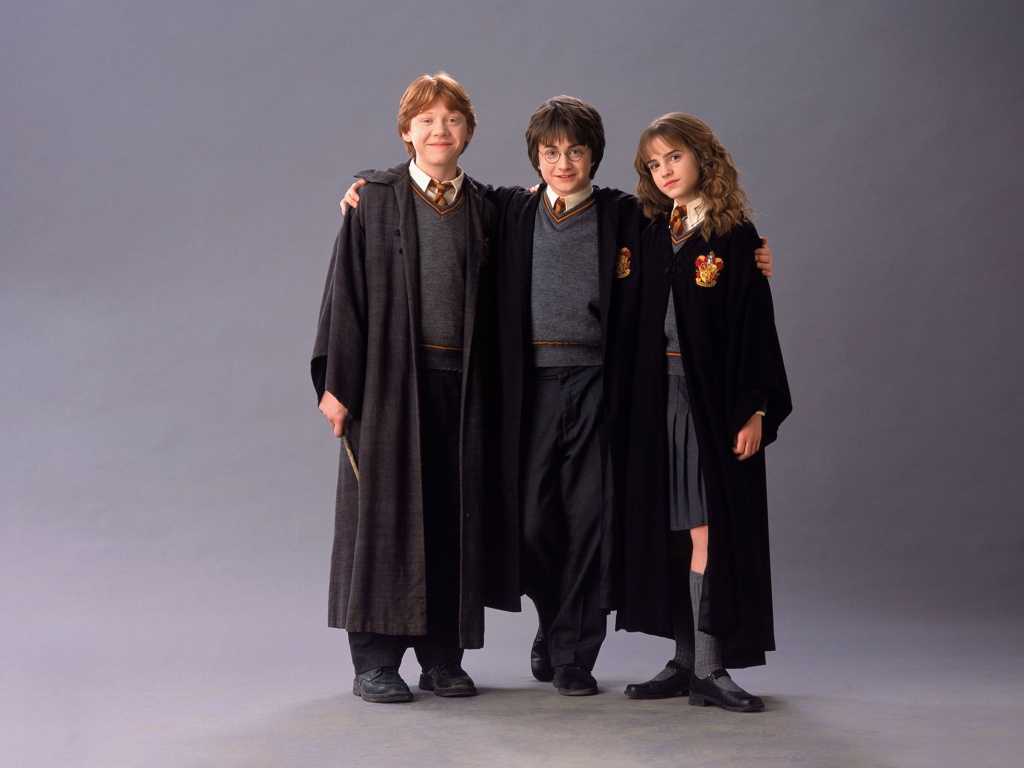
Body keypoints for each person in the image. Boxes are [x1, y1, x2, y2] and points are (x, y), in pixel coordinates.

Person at [341, 98, 774, 698]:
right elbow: (440, 182)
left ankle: (573, 654)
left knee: (591, 524)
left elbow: (694, 239)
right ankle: (551, 620)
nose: (563, 163)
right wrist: (368, 183)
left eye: (576, 151)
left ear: (594, 156)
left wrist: (751, 257)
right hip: (530, 390)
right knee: (529, 524)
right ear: (535, 158)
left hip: (599, 386)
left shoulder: (625, 215)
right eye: (551, 152)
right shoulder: (510, 209)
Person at [311, 72, 509, 704]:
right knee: (385, 519)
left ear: (468, 132)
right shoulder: (374, 201)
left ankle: (442, 658)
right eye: (426, 120)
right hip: (389, 385)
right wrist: (337, 386)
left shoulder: (486, 208)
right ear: (406, 132)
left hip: (463, 386)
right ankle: (374, 662)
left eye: (452, 120)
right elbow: (345, 294)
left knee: (451, 519)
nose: (439, 130)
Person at [614, 113, 791, 712]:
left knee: (707, 527)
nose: (665, 171)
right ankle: (685, 661)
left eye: (675, 157)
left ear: (703, 158)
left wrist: (756, 409)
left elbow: (754, 330)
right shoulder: (647, 231)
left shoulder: (735, 237)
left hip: (708, 404)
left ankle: (711, 668)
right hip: (650, 401)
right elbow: (571, 198)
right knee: (669, 532)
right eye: (654, 163)